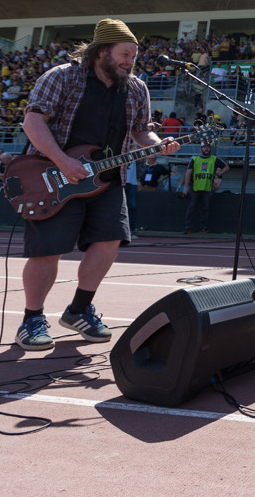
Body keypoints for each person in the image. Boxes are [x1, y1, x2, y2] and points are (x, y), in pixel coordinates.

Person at [15, 18, 181, 351]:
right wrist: (63, 161)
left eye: (133, 56)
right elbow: (33, 121)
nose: (130, 62)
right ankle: (32, 319)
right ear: (101, 51)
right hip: (55, 177)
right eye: (124, 54)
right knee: (47, 250)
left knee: (110, 241)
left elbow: (141, 131)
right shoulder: (61, 77)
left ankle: (78, 310)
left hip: (108, 179)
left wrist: (158, 143)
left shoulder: (136, 88)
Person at [180, 141, 229, 233]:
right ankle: (188, 228)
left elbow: (226, 167)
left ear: (210, 148)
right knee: (191, 207)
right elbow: (188, 173)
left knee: (205, 208)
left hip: (207, 188)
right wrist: (186, 187)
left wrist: (218, 174)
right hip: (195, 187)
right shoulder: (195, 159)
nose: (206, 149)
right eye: (204, 147)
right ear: (201, 149)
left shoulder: (215, 159)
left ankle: (203, 228)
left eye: (208, 147)